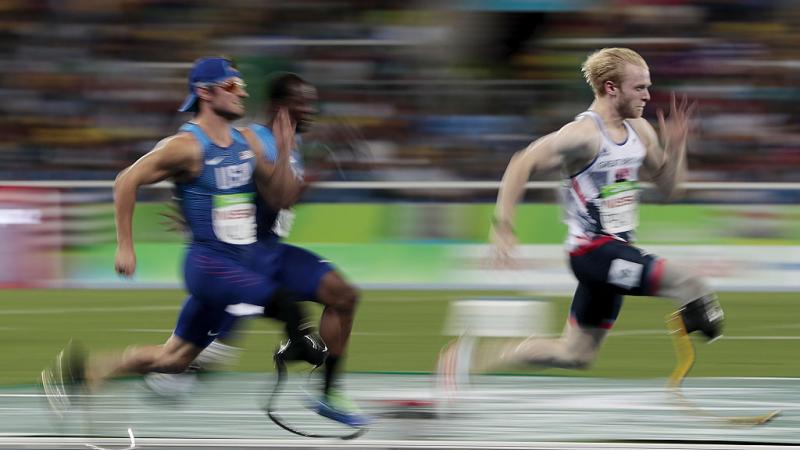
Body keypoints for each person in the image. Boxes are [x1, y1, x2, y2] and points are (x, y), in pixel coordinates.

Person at [41, 57, 320, 415]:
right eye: (233, 86)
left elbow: (278, 198)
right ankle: (305, 351)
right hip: (209, 267)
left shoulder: (242, 142)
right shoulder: (186, 145)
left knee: (173, 359)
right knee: (286, 305)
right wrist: (126, 245)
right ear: (205, 92)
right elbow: (126, 180)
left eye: (242, 86)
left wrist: (282, 150)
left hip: (235, 267)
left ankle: (82, 375)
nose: (243, 92)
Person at [439, 48, 724, 379]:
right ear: (610, 87)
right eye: (639, 88)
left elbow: (672, 189)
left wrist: (677, 148)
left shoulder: (640, 131)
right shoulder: (583, 135)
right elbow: (522, 161)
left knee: (575, 354)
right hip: (592, 253)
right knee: (690, 284)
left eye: (648, 86)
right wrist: (502, 224)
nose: (648, 95)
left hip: (618, 251)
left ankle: (470, 359)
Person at [143, 72, 366, 427]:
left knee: (343, 295)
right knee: (199, 355)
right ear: (279, 107)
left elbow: (277, 200)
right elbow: (265, 190)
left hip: (272, 253)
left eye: (312, 102)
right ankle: (164, 370)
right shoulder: (253, 138)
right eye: (302, 102)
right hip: (244, 259)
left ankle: (326, 395)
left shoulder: (289, 142)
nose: (311, 109)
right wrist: (191, 213)